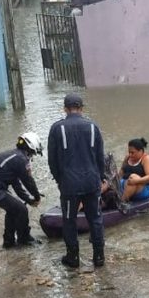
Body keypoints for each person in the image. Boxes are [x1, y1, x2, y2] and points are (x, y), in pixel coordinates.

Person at [47, 93, 107, 268]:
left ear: (65, 109)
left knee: (69, 220)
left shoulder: (57, 128)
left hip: (69, 184)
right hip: (91, 182)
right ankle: (99, 257)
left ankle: (73, 257)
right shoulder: (93, 127)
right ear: (81, 108)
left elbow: (52, 160)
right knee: (95, 219)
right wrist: (100, 177)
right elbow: (100, 158)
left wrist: (59, 180)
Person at [0, 132, 44, 249]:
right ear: (30, 148)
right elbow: (28, 181)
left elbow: (17, 185)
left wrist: (29, 200)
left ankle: (9, 243)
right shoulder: (21, 159)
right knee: (21, 209)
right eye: (33, 153)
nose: (32, 157)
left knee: (13, 209)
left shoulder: (14, 156)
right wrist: (37, 197)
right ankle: (24, 239)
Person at [119, 138, 149, 202]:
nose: (130, 154)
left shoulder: (146, 159)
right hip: (125, 184)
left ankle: (122, 202)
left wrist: (136, 181)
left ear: (140, 151)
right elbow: (121, 172)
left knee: (133, 177)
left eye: (132, 153)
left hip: (142, 188)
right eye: (129, 152)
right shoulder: (128, 157)